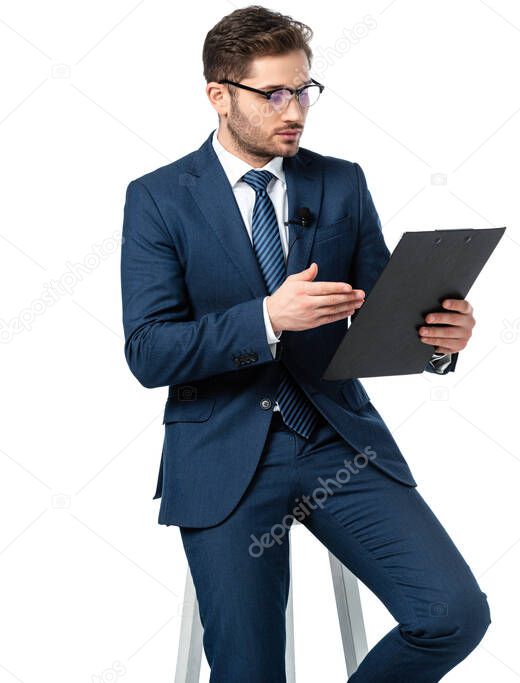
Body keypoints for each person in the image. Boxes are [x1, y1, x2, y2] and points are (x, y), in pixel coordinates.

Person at [119, 6, 489, 681]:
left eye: (304, 90)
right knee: (250, 670)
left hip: (335, 443)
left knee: (451, 613)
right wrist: (264, 317)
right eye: (275, 94)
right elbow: (148, 350)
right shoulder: (158, 198)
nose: (295, 111)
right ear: (219, 95)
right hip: (224, 455)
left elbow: (385, 316)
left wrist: (439, 339)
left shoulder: (339, 180)